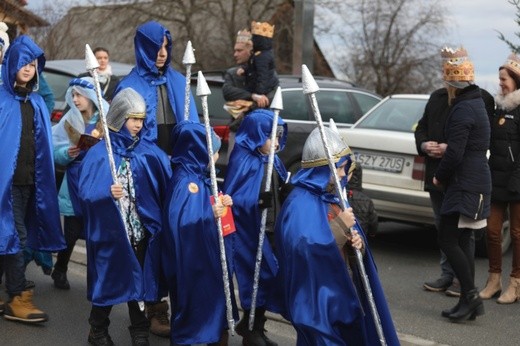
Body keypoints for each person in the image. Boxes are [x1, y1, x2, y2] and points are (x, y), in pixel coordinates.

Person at [274, 127, 399, 345]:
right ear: (322, 169)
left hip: (341, 289)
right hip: (316, 297)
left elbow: (345, 241)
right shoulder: (300, 202)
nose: (343, 175)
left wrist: (356, 245)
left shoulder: (331, 197)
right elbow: (304, 250)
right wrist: (341, 225)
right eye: (340, 169)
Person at [78, 88, 172, 345]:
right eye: (134, 119)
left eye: (141, 120)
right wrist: (106, 192)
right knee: (108, 281)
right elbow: (85, 192)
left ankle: (140, 331)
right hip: (112, 232)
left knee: (139, 283)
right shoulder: (101, 153)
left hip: (140, 230)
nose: (139, 125)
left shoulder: (149, 152)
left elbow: (164, 186)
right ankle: (97, 329)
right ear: (120, 117)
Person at [0, 35, 66, 323]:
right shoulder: (1, 100)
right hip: (7, 185)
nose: (28, 68)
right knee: (16, 237)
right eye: (23, 62)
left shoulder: (37, 102)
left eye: (33, 63)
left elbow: (42, 145)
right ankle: (18, 296)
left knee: (8, 237)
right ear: (11, 62)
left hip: (30, 183)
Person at [415, 63, 495, 297]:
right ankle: (450, 278)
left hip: (458, 178)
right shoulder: (438, 98)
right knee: (445, 231)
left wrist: (447, 152)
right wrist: (424, 145)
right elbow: (422, 127)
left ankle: (465, 285)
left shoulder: (472, 102)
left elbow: (472, 142)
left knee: (460, 234)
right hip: (442, 175)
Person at [161, 120, 238, 345]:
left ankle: (215, 335)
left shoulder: (199, 176)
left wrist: (222, 202)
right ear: (197, 150)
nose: (216, 156)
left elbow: (206, 205)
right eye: (213, 151)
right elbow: (181, 222)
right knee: (195, 305)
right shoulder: (185, 182)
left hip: (206, 255)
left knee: (214, 301)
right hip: (192, 262)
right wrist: (210, 213)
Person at [432, 47, 490, 322]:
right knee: (461, 238)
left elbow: (455, 152)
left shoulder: (464, 108)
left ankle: (471, 297)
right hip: (473, 180)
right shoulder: (475, 102)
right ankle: (470, 301)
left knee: (448, 238)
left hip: (465, 182)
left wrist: (439, 176)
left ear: (452, 83)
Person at [223, 109, 289, 346]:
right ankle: (250, 327)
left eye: (280, 137)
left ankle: (257, 324)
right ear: (256, 135)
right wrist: (256, 201)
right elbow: (232, 196)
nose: (277, 143)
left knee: (269, 276)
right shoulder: (244, 159)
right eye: (272, 137)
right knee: (253, 276)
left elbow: (281, 186)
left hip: (270, 227)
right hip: (249, 230)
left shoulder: (273, 160)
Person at [50, 77, 109, 290]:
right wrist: (67, 153)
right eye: (72, 95)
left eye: (79, 95)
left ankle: (96, 279)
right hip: (75, 181)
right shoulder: (68, 121)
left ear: (91, 96)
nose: (75, 100)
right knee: (72, 232)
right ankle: (61, 268)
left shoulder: (106, 119)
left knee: (97, 233)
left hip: (100, 182)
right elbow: (55, 151)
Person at [115, 20, 199, 156]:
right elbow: (120, 136)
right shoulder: (128, 86)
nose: (163, 53)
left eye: (166, 46)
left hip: (178, 158)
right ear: (144, 48)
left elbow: (193, 126)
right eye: (157, 47)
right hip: (144, 160)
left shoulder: (179, 81)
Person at [480, 52, 520, 304]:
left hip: (517, 182)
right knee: (492, 231)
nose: (500, 83)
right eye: (499, 78)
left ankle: (515, 283)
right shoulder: (497, 109)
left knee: (517, 233)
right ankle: (493, 280)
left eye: (504, 79)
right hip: (496, 179)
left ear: (516, 80)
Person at [222, 29, 274, 156]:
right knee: (235, 169)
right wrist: (253, 97)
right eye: (235, 50)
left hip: (262, 132)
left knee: (260, 171)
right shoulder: (233, 73)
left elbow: (270, 98)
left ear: (250, 50)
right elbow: (227, 91)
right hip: (238, 129)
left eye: (239, 50)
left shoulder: (267, 72)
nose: (235, 54)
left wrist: (247, 106)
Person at [245, 21, 279, 104]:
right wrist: (244, 70)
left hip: (263, 96)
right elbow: (253, 69)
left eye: (254, 38)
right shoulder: (260, 53)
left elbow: (262, 76)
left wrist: (259, 94)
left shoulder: (262, 56)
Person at [347, 165, 378, 237]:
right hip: (361, 235)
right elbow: (373, 221)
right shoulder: (366, 200)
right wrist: (372, 233)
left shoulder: (339, 196)